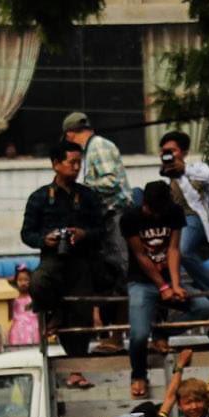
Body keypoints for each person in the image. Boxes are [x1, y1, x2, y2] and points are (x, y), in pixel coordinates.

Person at [20, 140, 107, 357]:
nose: (77, 168)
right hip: (53, 260)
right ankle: (56, 311)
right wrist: (44, 239)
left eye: (79, 163)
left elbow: (102, 232)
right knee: (38, 284)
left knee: (80, 314)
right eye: (72, 162)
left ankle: (76, 367)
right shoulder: (39, 197)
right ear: (56, 164)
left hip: (82, 262)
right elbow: (26, 234)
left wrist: (83, 234)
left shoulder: (88, 196)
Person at [120, 179, 195, 399]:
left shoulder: (174, 212)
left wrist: (175, 284)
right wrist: (162, 286)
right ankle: (138, 374)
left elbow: (173, 249)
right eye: (147, 208)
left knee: (202, 307)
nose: (149, 213)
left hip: (167, 282)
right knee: (139, 333)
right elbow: (140, 255)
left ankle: (162, 332)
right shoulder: (131, 218)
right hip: (141, 282)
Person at [61, 111, 132, 293]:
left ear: (70, 133)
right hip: (106, 215)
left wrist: (84, 188)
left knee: (120, 261)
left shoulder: (98, 146)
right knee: (110, 261)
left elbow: (111, 181)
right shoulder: (90, 149)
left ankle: (127, 300)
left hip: (116, 212)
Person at [158, 128, 209, 311]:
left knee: (183, 252)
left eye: (173, 151)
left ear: (184, 152)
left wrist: (184, 170)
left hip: (193, 218)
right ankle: (194, 295)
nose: (168, 155)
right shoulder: (163, 178)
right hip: (175, 224)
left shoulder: (196, 169)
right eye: (164, 152)